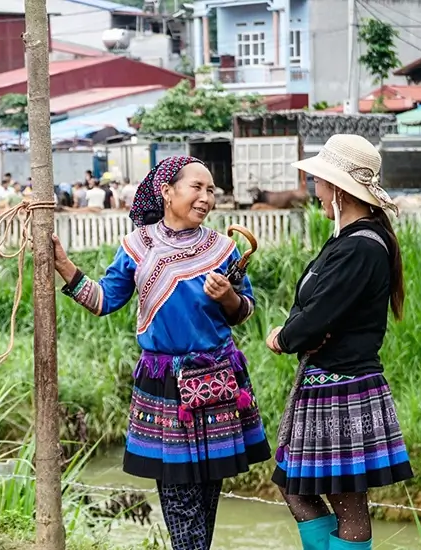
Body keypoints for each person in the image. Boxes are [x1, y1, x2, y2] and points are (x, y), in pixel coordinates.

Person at [52, 156, 270, 550]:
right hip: (165, 384)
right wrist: (65, 266)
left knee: (206, 494)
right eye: (196, 187)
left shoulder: (223, 249)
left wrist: (229, 296)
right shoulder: (137, 246)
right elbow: (103, 300)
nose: (206, 198)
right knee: (178, 493)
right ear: (167, 192)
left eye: (211, 190)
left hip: (216, 379)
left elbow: (244, 311)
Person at [265, 135, 413, 550]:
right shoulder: (349, 241)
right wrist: (301, 328)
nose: (314, 188)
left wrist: (284, 337)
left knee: (348, 504)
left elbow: (315, 318)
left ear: (338, 188)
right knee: (295, 486)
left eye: (318, 180)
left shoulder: (360, 247)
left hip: (343, 385)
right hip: (325, 383)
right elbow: (313, 311)